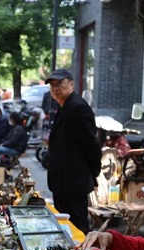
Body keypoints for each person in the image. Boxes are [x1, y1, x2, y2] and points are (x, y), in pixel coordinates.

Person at [46, 68, 101, 234]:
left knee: (77, 227)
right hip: (63, 181)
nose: (55, 88)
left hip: (74, 181)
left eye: (59, 83)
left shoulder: (78, 107)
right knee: (65, 226)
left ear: (71, 84)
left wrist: (93, 172)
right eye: (52, 85)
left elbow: (91, 145)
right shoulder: (64, 106)